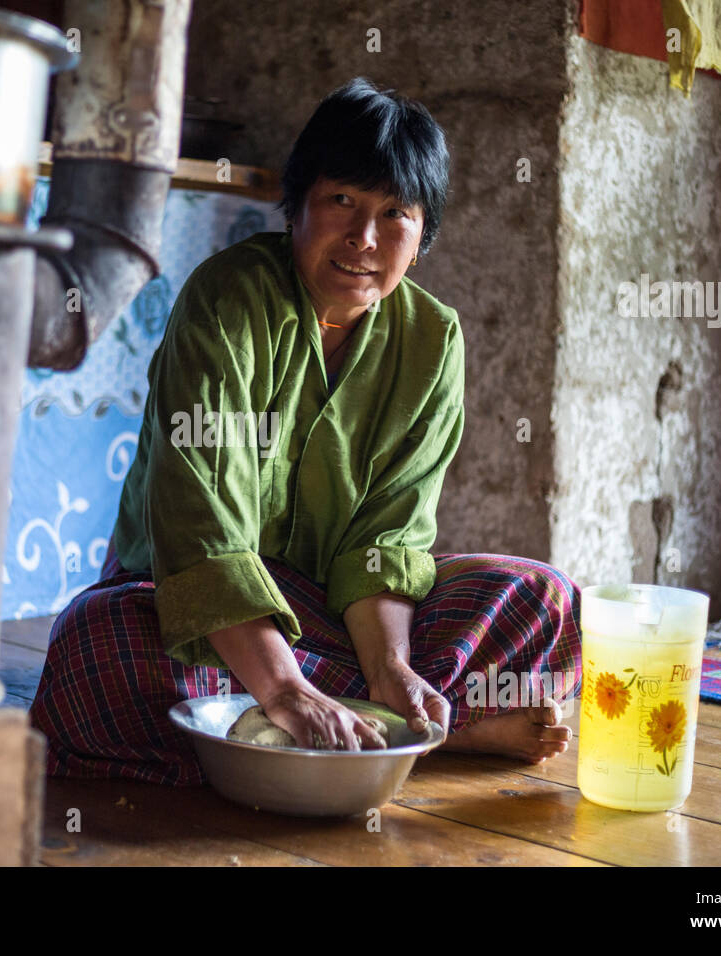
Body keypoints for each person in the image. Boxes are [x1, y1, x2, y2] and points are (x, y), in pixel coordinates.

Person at [28, 77, 581, 786]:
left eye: (395, 215)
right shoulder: (228, 303)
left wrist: (392, 671)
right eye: (342, 201)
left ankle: (359, 721)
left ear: (424, 235)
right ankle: (418, 734)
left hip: (332, 620)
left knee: (543, 597)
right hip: (189, 610)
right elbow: (205, 535)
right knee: (94, 650)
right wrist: (286, 689)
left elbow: (387, 541)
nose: (364, 238)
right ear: (297, 206)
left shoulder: (432, 339)